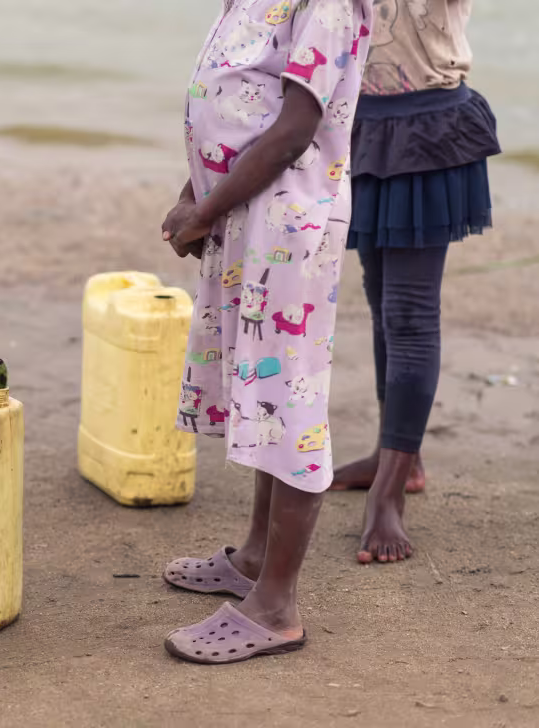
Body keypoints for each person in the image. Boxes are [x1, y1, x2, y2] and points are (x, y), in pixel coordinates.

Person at [159, 0, 372, 664]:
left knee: (290, 399)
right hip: (244, 211)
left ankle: (277, 605)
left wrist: (208, 208)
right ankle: (255, 554)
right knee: (261, 386)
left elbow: (291, 130)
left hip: (290, 224)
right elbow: (235, 102)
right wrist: (192, 194)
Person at [327, 0, 499, 565]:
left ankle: (388, 491)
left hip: (429, 128)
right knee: (380, 301)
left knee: (409, 312)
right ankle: (398, 456)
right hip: (363, 123)